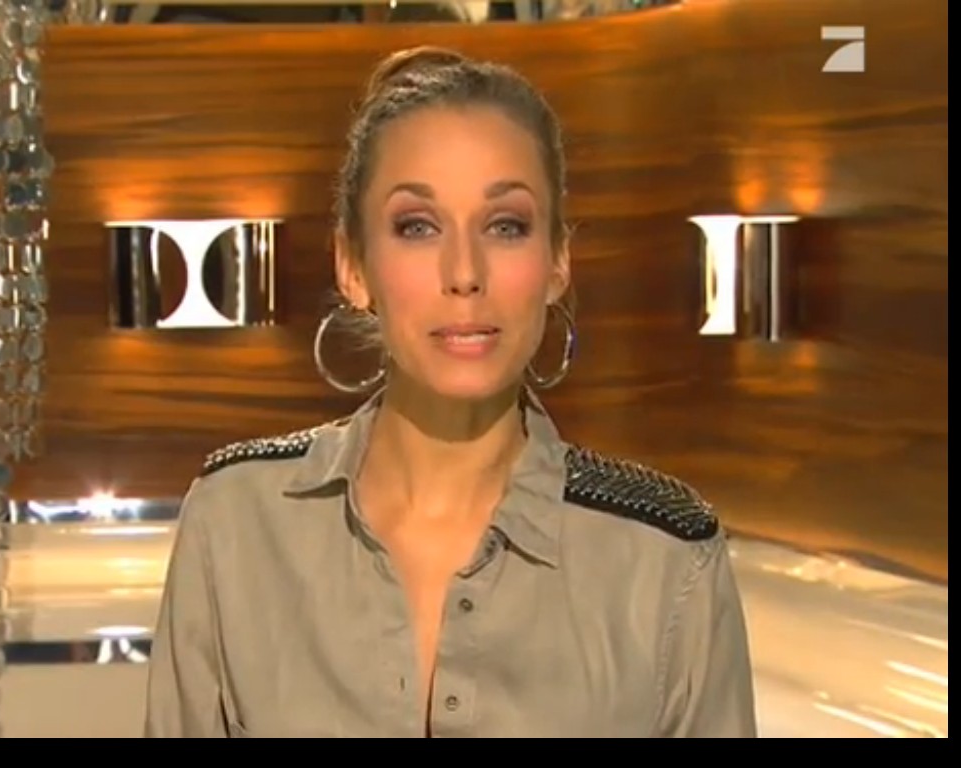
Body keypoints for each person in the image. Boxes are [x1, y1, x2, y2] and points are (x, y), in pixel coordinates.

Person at [144, 46, 757, 738]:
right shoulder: (235, 522)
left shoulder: (666, 559)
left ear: (557, 261)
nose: (464, 273)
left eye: (506, 226)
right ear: (352, 266)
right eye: (417, 226)